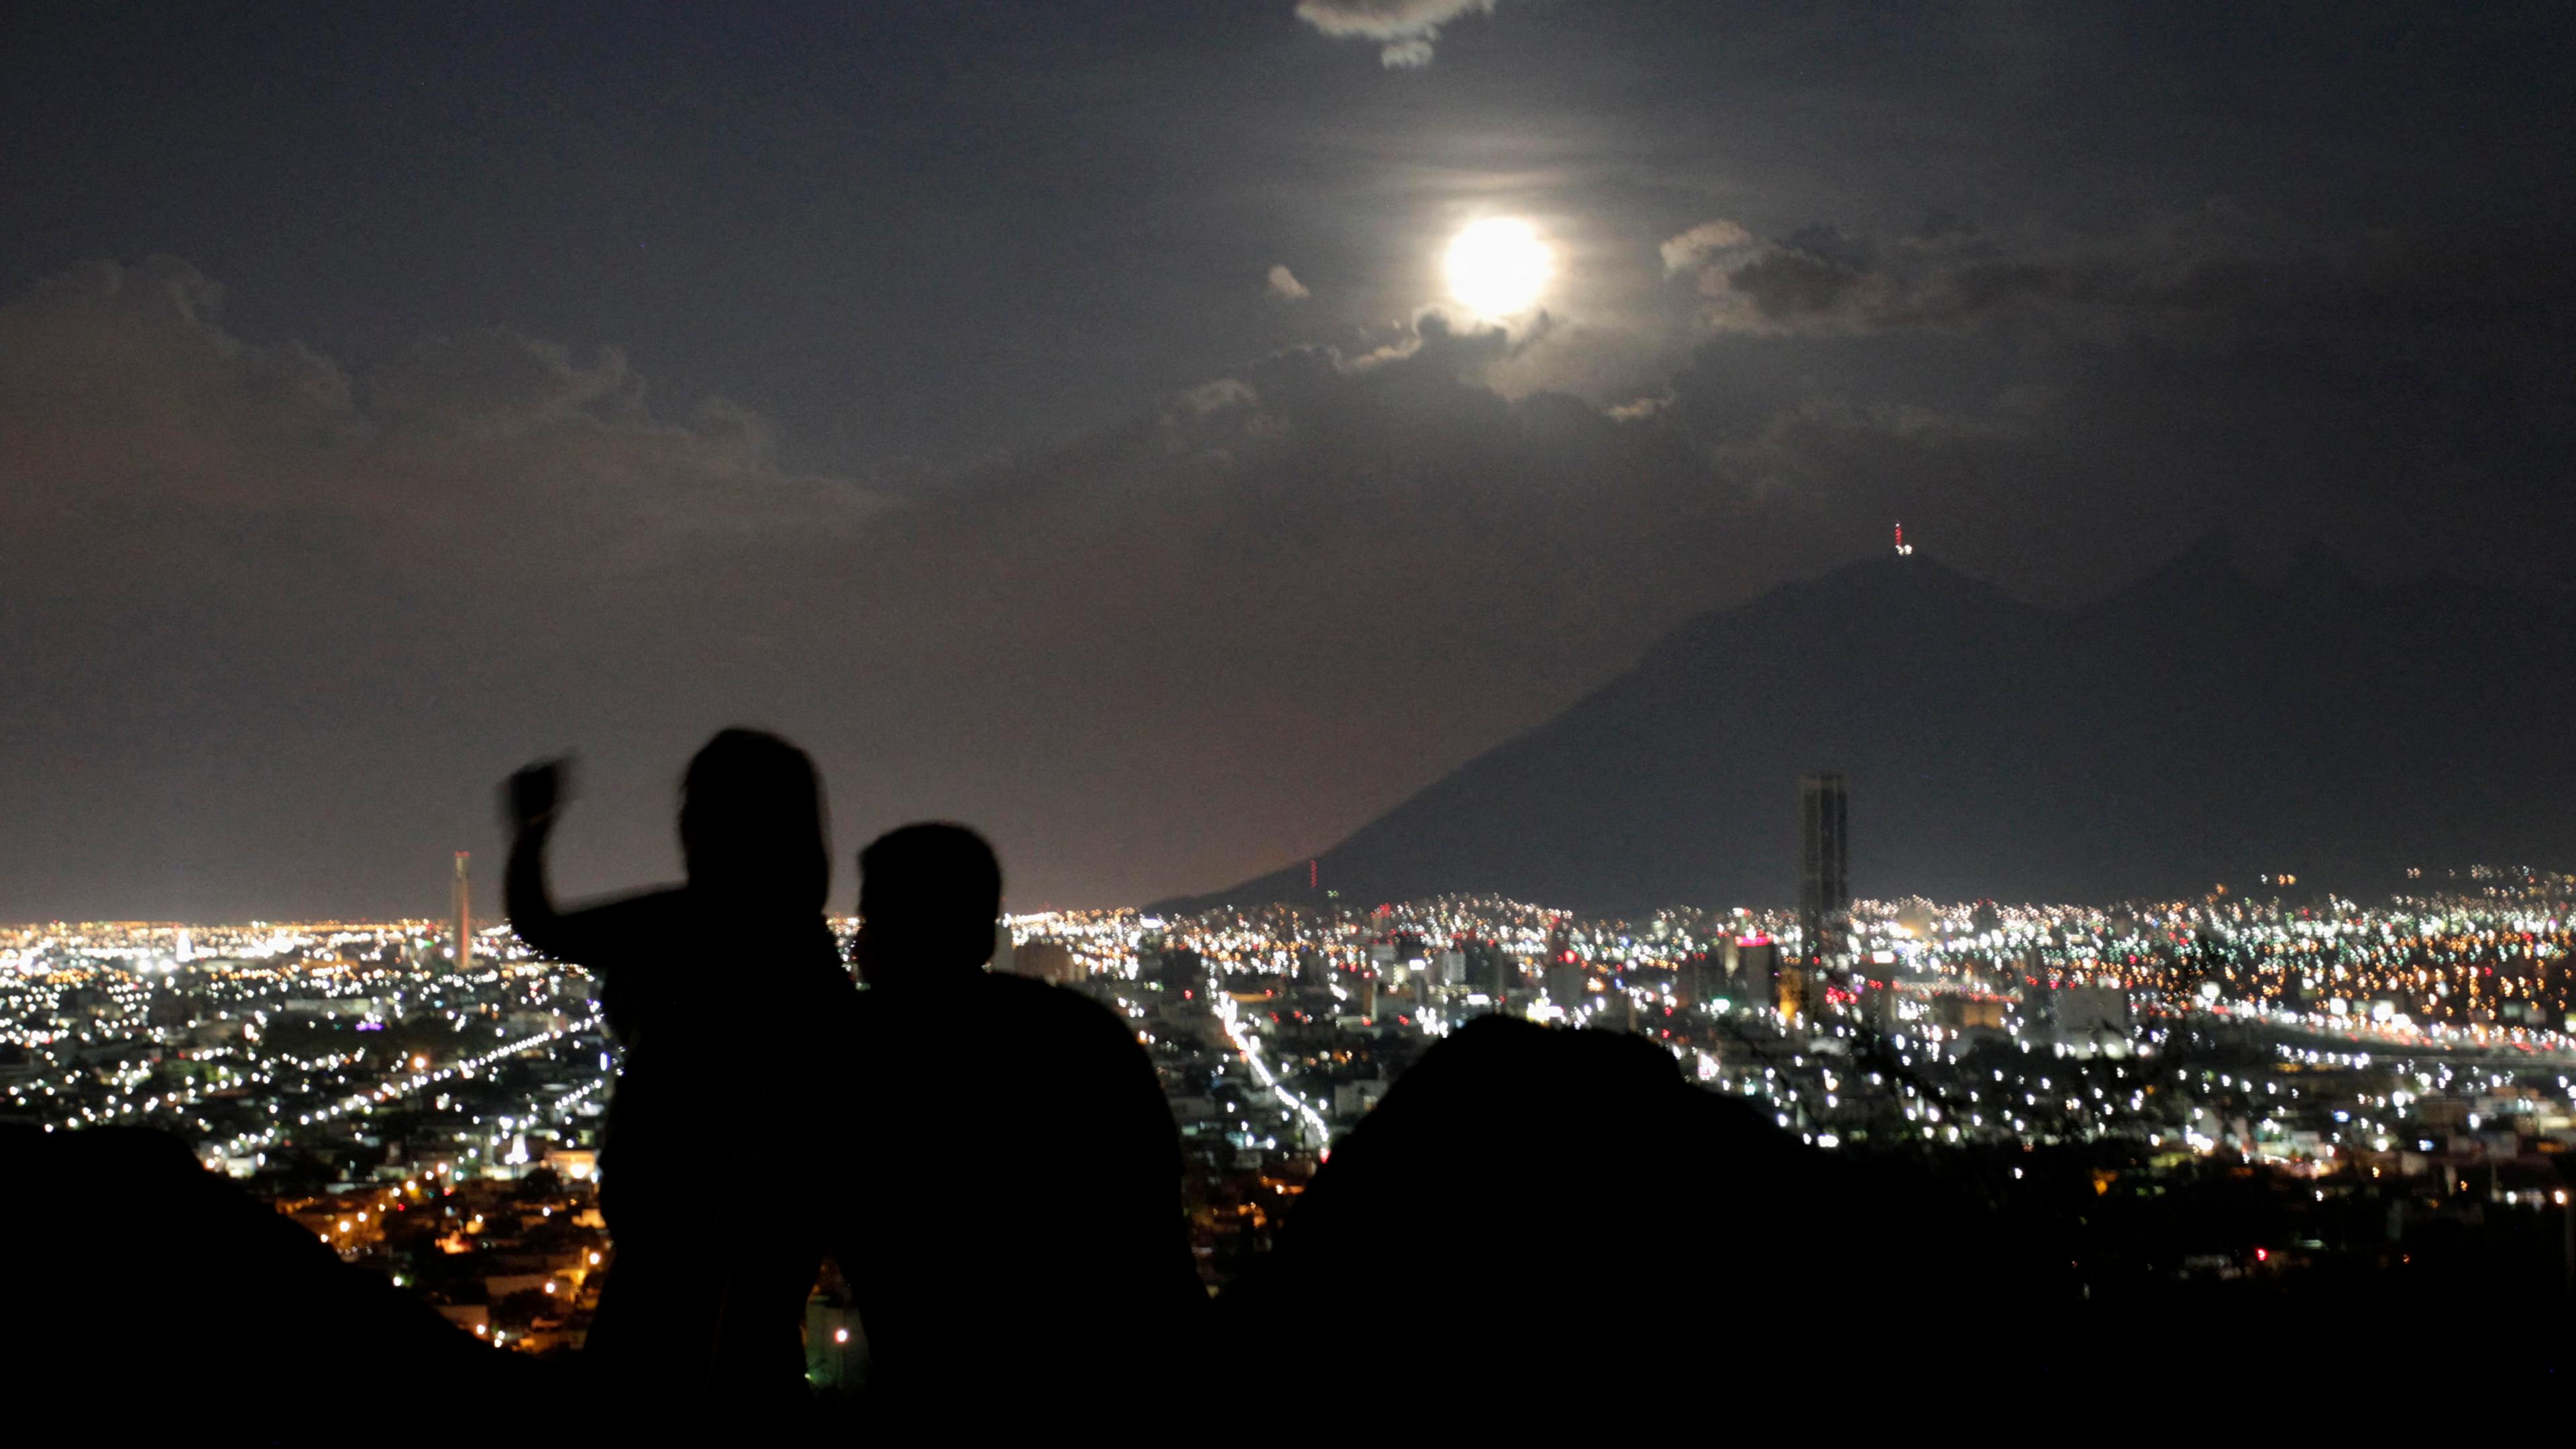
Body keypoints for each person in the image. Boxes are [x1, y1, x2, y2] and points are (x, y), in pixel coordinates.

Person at [502, 729, 853, 1428]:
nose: (684, 821)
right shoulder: (810, 957)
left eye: (697, 805)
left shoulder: (694, 923)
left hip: (676, 1229)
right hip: (762, 1242)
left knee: (642, 1399)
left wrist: (531, 830)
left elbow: (540, 924)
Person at [832, 823, 1205, 1424]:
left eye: (872, 918)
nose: (857, 944)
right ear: (984, 931)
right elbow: (1157, 1244)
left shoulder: (856, 1057)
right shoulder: (1085, 1038)